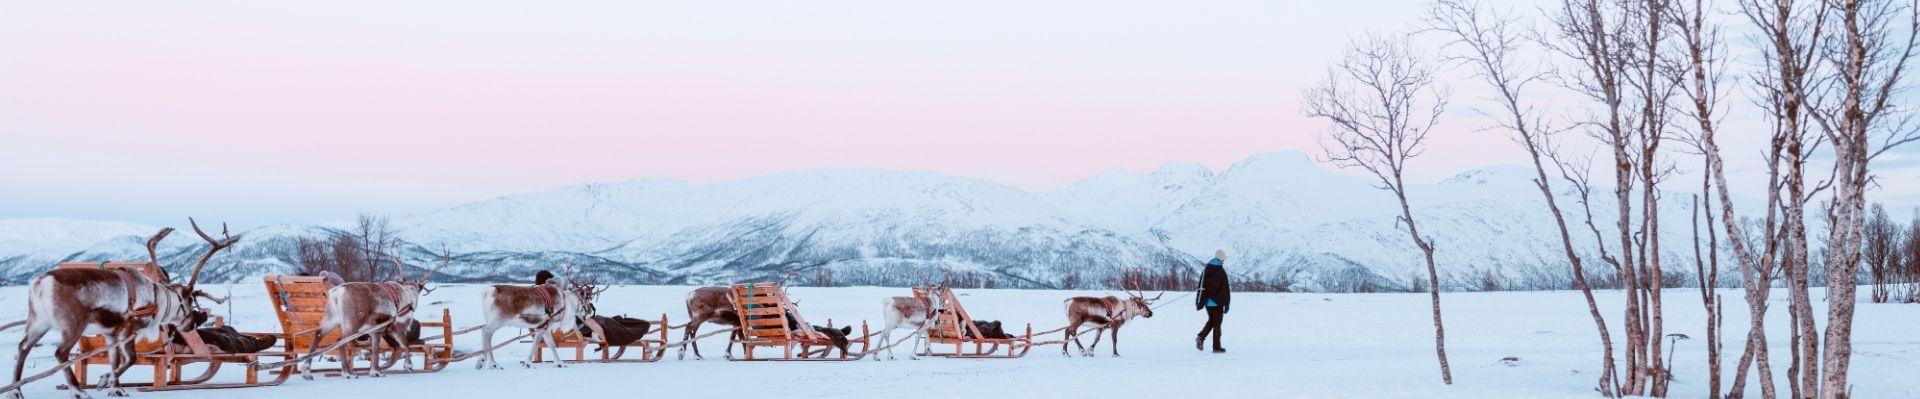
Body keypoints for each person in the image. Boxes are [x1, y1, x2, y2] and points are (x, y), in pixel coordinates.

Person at [1195, 249, 1231, 353]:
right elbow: (1225, 290)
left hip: (1207, 302)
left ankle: (1201, 337)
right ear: (1222, 259)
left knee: (1211, 321)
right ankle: (1216, 347)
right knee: (1217, 324)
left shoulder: (1206, 269)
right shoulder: (1221, 271)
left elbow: (1201, 286)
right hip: (1218, 302)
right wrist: (1226, 304)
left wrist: (1200, 301)